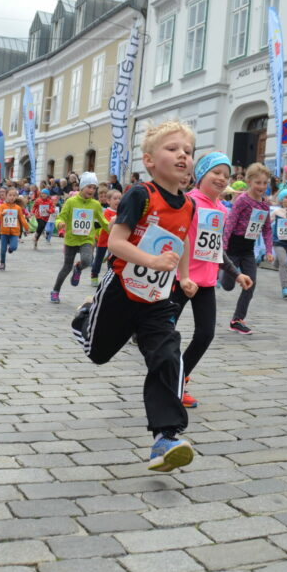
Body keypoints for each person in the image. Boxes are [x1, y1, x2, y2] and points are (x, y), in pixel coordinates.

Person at [70, 120, 198, 472]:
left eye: (187, 151)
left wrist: (184, 277)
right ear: (150, 160)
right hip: (121, 289)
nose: (182, 156)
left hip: (158, 297)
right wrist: (153, 260)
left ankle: (165, 436)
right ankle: (84, 319)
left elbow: (182, 242)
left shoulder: (188, 205)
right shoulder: (141, 194)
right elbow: (115, 242)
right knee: (99, 354)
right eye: (173, 149)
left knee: (168, 355)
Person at [176, 152, 252, 408]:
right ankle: (167, 381)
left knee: (205, 334)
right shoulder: (187, 202)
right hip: (179, 280)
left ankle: (180, 379)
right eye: (216, 173)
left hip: (205, 282)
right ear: (201, 175)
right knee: (163, 336)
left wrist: (236, 274)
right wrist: (181, 274)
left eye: (226, 175)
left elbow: (215, 247)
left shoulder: (221, 208)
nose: (221, 179)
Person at [221, 162, 274, 334]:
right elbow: (231, 222)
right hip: (233, 246)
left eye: (265, 183)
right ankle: (221, 273)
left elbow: (267, 229)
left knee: (250, 284)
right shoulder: (242, 200)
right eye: (258, 182)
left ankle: (237, 319)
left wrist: (269, 250)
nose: (261, 186)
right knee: (228, 286)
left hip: (248, 249)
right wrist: (224, 246)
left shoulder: (265, 205)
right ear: (249, 182)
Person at [50, 172, 109, 303]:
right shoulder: (71, 202)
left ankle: (78, 268)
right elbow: (61, 216)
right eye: (89, 187)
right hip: (71, 238)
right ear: (82, 187)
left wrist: (112, 230)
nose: (92, 190)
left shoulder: (95, 204)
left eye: (94, 188)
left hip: (86, 239)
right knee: (66, 267)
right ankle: (55, 291)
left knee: (87, 260)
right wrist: (59, 223)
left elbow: (103, 221)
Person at [90, 189, 120, 287]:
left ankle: (109, 278)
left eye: (120, 198)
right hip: (103, 240)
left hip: (114, 242)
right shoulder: (106, 212)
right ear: (108, 201)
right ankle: (94, 275)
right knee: (98, 259)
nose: (118, 201)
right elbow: (106, 225)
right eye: (115, 198)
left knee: (112, 260)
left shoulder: (122, 212)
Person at [0, 187, 30, 270]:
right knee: (3, 249)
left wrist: (27, 227)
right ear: (6, 196)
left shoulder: (18, 208)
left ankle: (10, 249)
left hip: (15, 232)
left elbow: (22, 218)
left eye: (14, 195)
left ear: (16, 197)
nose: (12, 197)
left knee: (14, 247)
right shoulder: (2, 206)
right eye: (10, 195)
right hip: (4, 231)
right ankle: (2, 263)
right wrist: (2, 214)